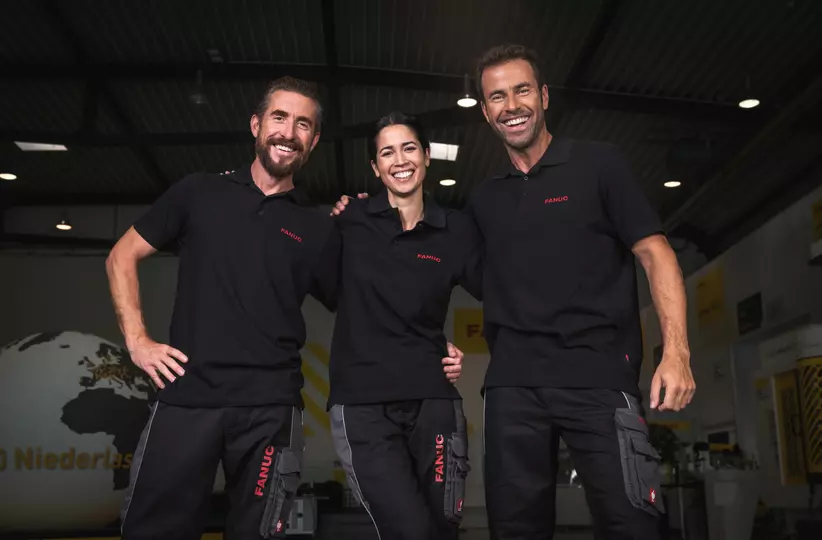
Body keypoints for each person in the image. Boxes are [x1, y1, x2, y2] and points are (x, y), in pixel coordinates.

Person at [333, 44, 696, 540]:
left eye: (521, 90)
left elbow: (657, 253)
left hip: (599, 377)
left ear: (544, 96)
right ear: (485, 112)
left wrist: (676, 351)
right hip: (512, 390)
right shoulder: (484, 200)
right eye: (497, 97)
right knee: (515, 531)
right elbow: (419, 268)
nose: (511, 105)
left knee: (634, 524)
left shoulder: (598, 165)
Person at [106, 76, 340, 540]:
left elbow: (361, 306)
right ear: (256, 125)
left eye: (303, 125)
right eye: (279, 118)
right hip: (187, 396)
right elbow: (121, 255)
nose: (288, 132)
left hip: (271, 409)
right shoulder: (199, 193)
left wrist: (434, 343)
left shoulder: (317, 228)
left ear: (313, 141)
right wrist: (137, 341)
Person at [322, 111, 483, 540]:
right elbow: (315, 286)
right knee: (408, 530)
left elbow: (503, 293)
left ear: (427, 157)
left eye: (409, 148)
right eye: (387, 152)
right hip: (363, 404)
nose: (400, 160)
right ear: (375, 168)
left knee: (442, 528)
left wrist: (457, 345)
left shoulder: (455, 229)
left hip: (433, 399)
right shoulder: (350, 220)